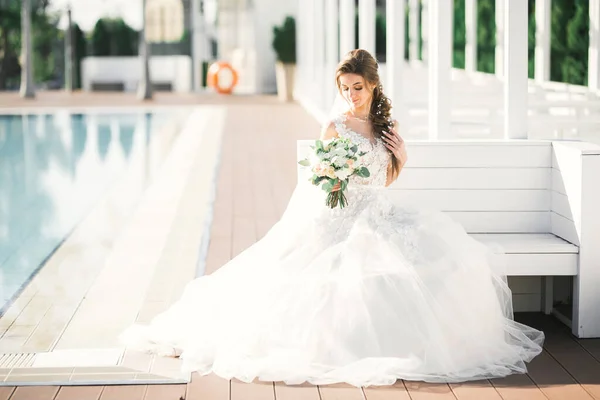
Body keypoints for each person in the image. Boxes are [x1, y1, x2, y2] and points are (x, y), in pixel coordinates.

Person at [121, 49, 544, 387]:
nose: (351, 96)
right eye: (344, 88)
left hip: (380, 212)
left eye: (357, 87)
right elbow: (319, 182)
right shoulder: (336, 126)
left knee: (437, 259)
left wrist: (402, 156)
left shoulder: (387, 125)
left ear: (374, 85)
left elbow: (385, 179)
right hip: (341, 218)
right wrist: (334, 177)